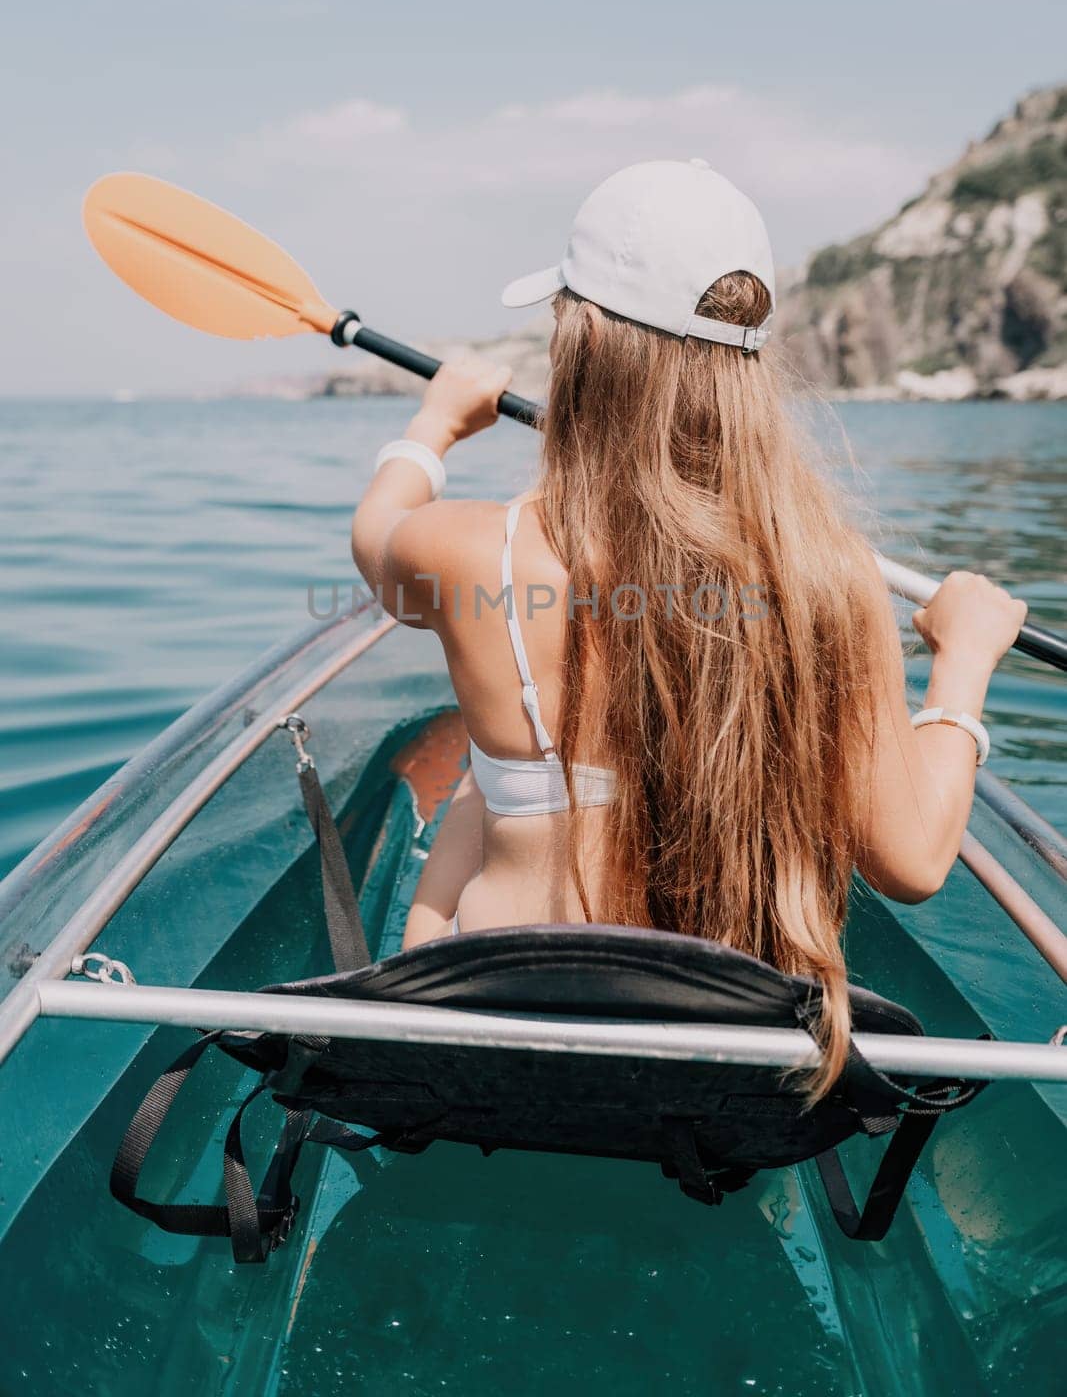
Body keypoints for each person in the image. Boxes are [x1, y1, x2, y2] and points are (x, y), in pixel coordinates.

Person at [352, 159, 1025, 1093]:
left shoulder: (465, 552)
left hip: (497, 1038)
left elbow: (374, 535)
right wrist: (964, 664)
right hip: (723, 1069)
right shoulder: (831, 586)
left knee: (482, 776)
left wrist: (430, 425)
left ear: (579, 338)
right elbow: (911, 862)